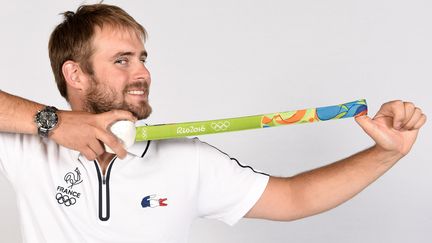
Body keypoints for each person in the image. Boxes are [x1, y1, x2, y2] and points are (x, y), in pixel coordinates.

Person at [0, 3, 426, 243]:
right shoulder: (27, 146)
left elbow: (295, 198)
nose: (142, 73)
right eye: (122, 61)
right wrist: (51, 123)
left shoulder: (189, 160)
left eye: (143, 59)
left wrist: (385, 153)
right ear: (76, 75)